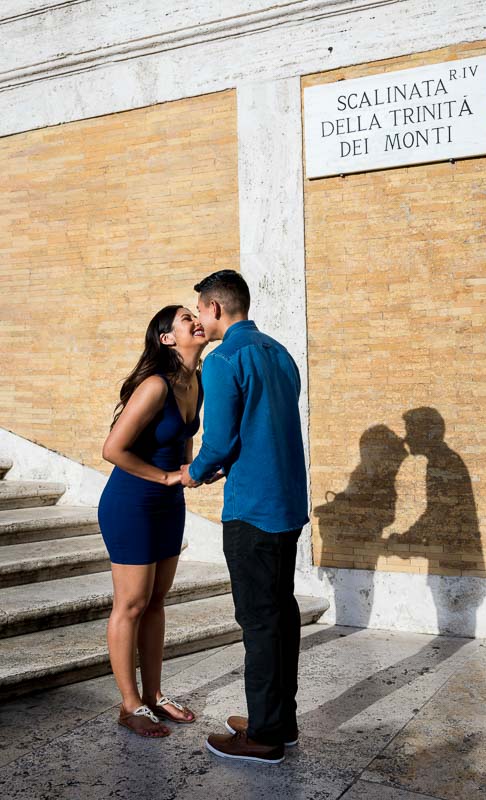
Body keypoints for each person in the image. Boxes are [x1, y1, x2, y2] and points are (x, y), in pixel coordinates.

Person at [180, 270, 309, 764]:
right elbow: (263, 426)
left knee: (258, 621)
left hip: (252, 510)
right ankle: (279, 721)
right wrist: (223, 463)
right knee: (281, 614)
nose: (199, 319)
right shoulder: (279, 353)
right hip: (286, 504)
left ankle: (263, 737)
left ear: (215, 308)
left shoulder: (223, 359)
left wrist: (195, 473)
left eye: (200, 309)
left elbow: (221, 440)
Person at [98, 304, 207, 738]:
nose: (195, 320)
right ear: (166, 338)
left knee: (157, 602)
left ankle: (154, 696)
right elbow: (113, 449)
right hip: (132, 502)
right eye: (185, 318)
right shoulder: (155, 386)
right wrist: (165, 476)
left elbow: (183, 440)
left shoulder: (195, 380)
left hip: (168, 504)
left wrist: (190, 470)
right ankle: (130, 705)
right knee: (131, 604)